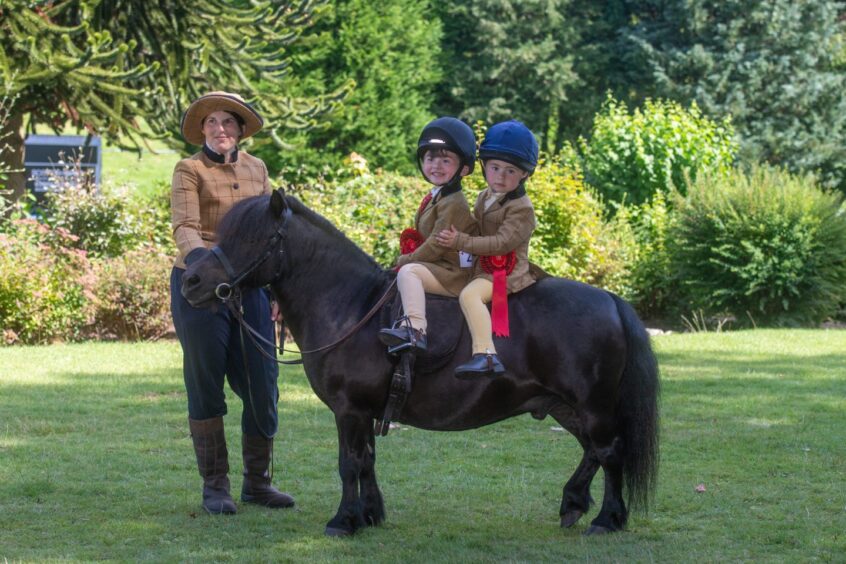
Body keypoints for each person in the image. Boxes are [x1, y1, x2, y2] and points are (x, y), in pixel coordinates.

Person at [170, 91, 294, 515]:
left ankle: (258, 484)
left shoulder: (258, 168)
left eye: (228, 122)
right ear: (202, 130)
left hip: (251, 287)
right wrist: (206, 265)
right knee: (205, 384)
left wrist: (278, 289)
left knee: (263, 383)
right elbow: (184, 227)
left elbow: (271, 232)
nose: (220, 129)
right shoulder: (188, 169)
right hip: (200, 288)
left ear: (241, 130)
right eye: (211, 123)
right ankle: (215, 488)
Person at [435, 120, 539, 377]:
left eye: (510, 171)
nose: (501, 177)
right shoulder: (484, 196)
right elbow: (476, 228)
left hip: (505, 274)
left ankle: (486, 355)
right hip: (480, 267)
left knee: (469, 296)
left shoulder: (522, 209)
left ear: (524, 174)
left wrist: (460, 242)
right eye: (495, 168)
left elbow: (500, 243)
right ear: (484, 167)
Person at [377, 117, 478, 352]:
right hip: (438, 267)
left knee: (410, 273)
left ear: (463, 168)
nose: (436, 165)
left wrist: (406, 261)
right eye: (430, 158)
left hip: (453, 274)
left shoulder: (455, 203)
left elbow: (436, 244)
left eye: (446, 160)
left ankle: (415, 329)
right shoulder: (438, 196)